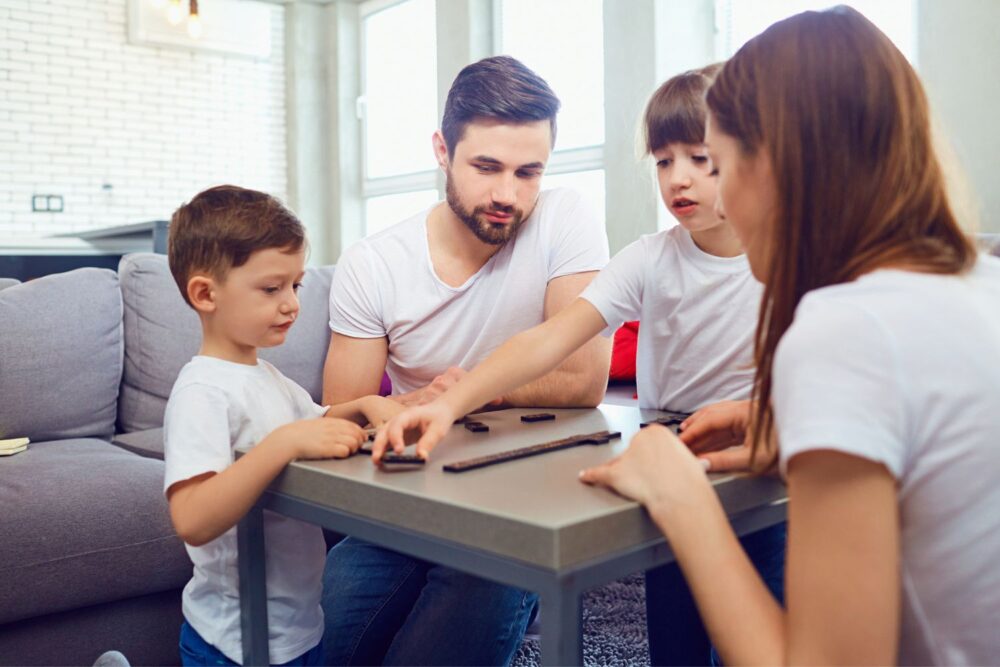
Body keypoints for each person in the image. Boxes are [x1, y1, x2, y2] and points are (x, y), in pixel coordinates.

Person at [580, 7, 1000, 665]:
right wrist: (792, 427)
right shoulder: (983, 283)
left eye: (716, 162)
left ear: (772, 164)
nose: (714, 197)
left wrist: (680, 496)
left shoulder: (843, 330)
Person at [374, 65, 785, 665]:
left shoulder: (786, 258)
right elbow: (548, 339)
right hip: (669, 461)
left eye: (701, 159)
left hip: (763, 473)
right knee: (676, 643)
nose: (679, 179)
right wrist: (449, 403)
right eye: (664, 161)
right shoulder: (649, 258)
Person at [320, 55, 612, 665]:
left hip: (523, 503)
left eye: (529, 172)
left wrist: (471, 390)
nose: (508, 194)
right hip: (409, 499)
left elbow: (585, 379)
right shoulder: (373, 265)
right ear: (442, 150)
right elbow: (339, 418)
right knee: (326, 646)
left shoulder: (565, 218)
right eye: (487, 167)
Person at [162, 185, 400, 666]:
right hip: (232, 643)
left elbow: (316, 419)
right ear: (205, 294)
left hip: (296, 630)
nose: (292, 304)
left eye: (296, 286)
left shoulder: (265, 376)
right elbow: (191, 517)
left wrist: (366, 405)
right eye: (272, 289)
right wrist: (281, 444)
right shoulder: (202, 391)